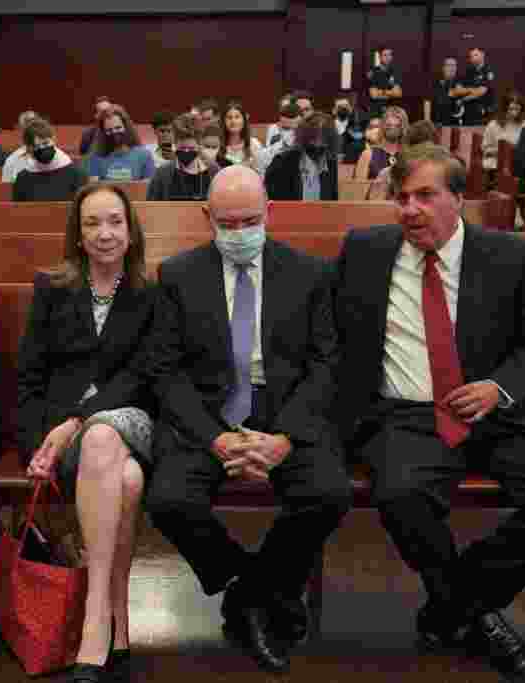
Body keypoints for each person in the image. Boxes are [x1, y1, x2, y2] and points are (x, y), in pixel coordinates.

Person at [332, 143, 525, 682]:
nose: (408, 209)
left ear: (459, 199)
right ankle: (476, 614)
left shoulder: (511, 257)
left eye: (425, 196)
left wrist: (498, 388)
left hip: (499, 413)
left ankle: (455, 603)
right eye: (401, 197)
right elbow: (332, 333)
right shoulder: (365, 250)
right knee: (400, 494)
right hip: (407, 415)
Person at [145, 165, 351, 674]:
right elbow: (166, 372)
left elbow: (327, 364)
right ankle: (256, 587)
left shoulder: (311, 273)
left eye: (250, 221)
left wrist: (284, 437)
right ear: (206, 217)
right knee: (169, 500)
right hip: (211, 416)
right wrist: (215, 440)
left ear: (270, 213)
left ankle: (250, 598)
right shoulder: (177, 275)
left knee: (328, 493)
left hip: (284, 411)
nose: (240, 234)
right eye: (228, 224)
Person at [18, 183, 157, 683]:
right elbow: (31, 376)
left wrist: (77, 421)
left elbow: (141, 376)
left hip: (131, 418)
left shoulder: (151, 292)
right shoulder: (52, 289)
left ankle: (93, 616)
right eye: (93, 223)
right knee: (129, 483)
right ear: (77, 235)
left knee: (102, 437)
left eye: (115, 222)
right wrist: (41, 441)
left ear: (130, 229)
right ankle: (116, 615)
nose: (105, 233)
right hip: (65, 436)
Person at [264, 112, 339, 201]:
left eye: (323, 141)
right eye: (313, 140)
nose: (318, 145)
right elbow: (276, 203)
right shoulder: (282, 162)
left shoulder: (331, 163)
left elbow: (332, 203)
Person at [147, 114, 220, 201]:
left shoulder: (213, 171)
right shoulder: (163, 173)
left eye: (191, 148)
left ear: (199, 145)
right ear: (175, 144)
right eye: (182, 148)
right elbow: (151, 207)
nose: (186, 151)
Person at [12, 118, 88, 202]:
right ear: (29, 148)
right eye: (36, 146)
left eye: (45, 143)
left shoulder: (76, 174)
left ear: (54, 140)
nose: (42, 148)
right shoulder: (23, 179)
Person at [82, 106, 155, 182]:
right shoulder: (96, 157)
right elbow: (94, 188)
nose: (114, 132)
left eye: (118, 128)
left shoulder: (144, 155)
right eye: (109, 130)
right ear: (103, 133)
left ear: (126, 127)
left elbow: (148, 187)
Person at [355, 106, 408, 180]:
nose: (393, 129)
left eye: (397, 126)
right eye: (389, 125)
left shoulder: (409, 155)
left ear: (403, 128)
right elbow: (358, 188)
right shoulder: (368, 155)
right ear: (382, 126)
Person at [453, 47, 495, 126]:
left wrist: (463, 98)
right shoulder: (469, 70)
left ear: (482, 55)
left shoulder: (488, 70)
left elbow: (481, 92)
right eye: (471, 56)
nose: (473, 58)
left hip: (482, 113)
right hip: (468, 112)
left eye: (475, 55)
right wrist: (472, 90)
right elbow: (458, 89)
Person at [256, 103, 302, 175]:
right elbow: (266, 159)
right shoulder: (274, 129)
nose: (288, 134)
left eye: (291, 129)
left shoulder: (305, 136)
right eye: (284, 128)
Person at [1, 110, 41, 183]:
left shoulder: (54, 155)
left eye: (34, 125)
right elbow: (5, 189)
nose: (31, 130)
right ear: (20, 130)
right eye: (27, 125)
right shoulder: (11, 161)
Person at [221, 102, 263, 168]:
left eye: (237, 117)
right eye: (229, 117)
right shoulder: (218, 145)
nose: (233, 121)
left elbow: (261, 171)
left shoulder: (254, 144)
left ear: (244, 120)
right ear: (224, 121)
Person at [333, 91, 369, 163]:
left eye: (346, 106)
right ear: (334, 110)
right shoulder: (328, 125)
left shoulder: (358, 125)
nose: (343, 109)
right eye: (340, 107)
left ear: (350, 108)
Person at [366, 46, 402, 117]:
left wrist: (381, 92)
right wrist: (391, 93)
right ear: (380, 57)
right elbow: (374, 95)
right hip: (376, 111)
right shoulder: (373, 72)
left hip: (392, 110)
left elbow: (398, 93)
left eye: (390, 55)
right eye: (385, 55)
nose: (388, 57)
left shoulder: (395, 72)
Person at [432, 58, 463, 127]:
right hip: (439, 123)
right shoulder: (436, 84)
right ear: (443, 68)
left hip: (457, 123)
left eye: (454, 65)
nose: (452, 68)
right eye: (449, 65)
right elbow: (429, 102)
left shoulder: (462, 83)